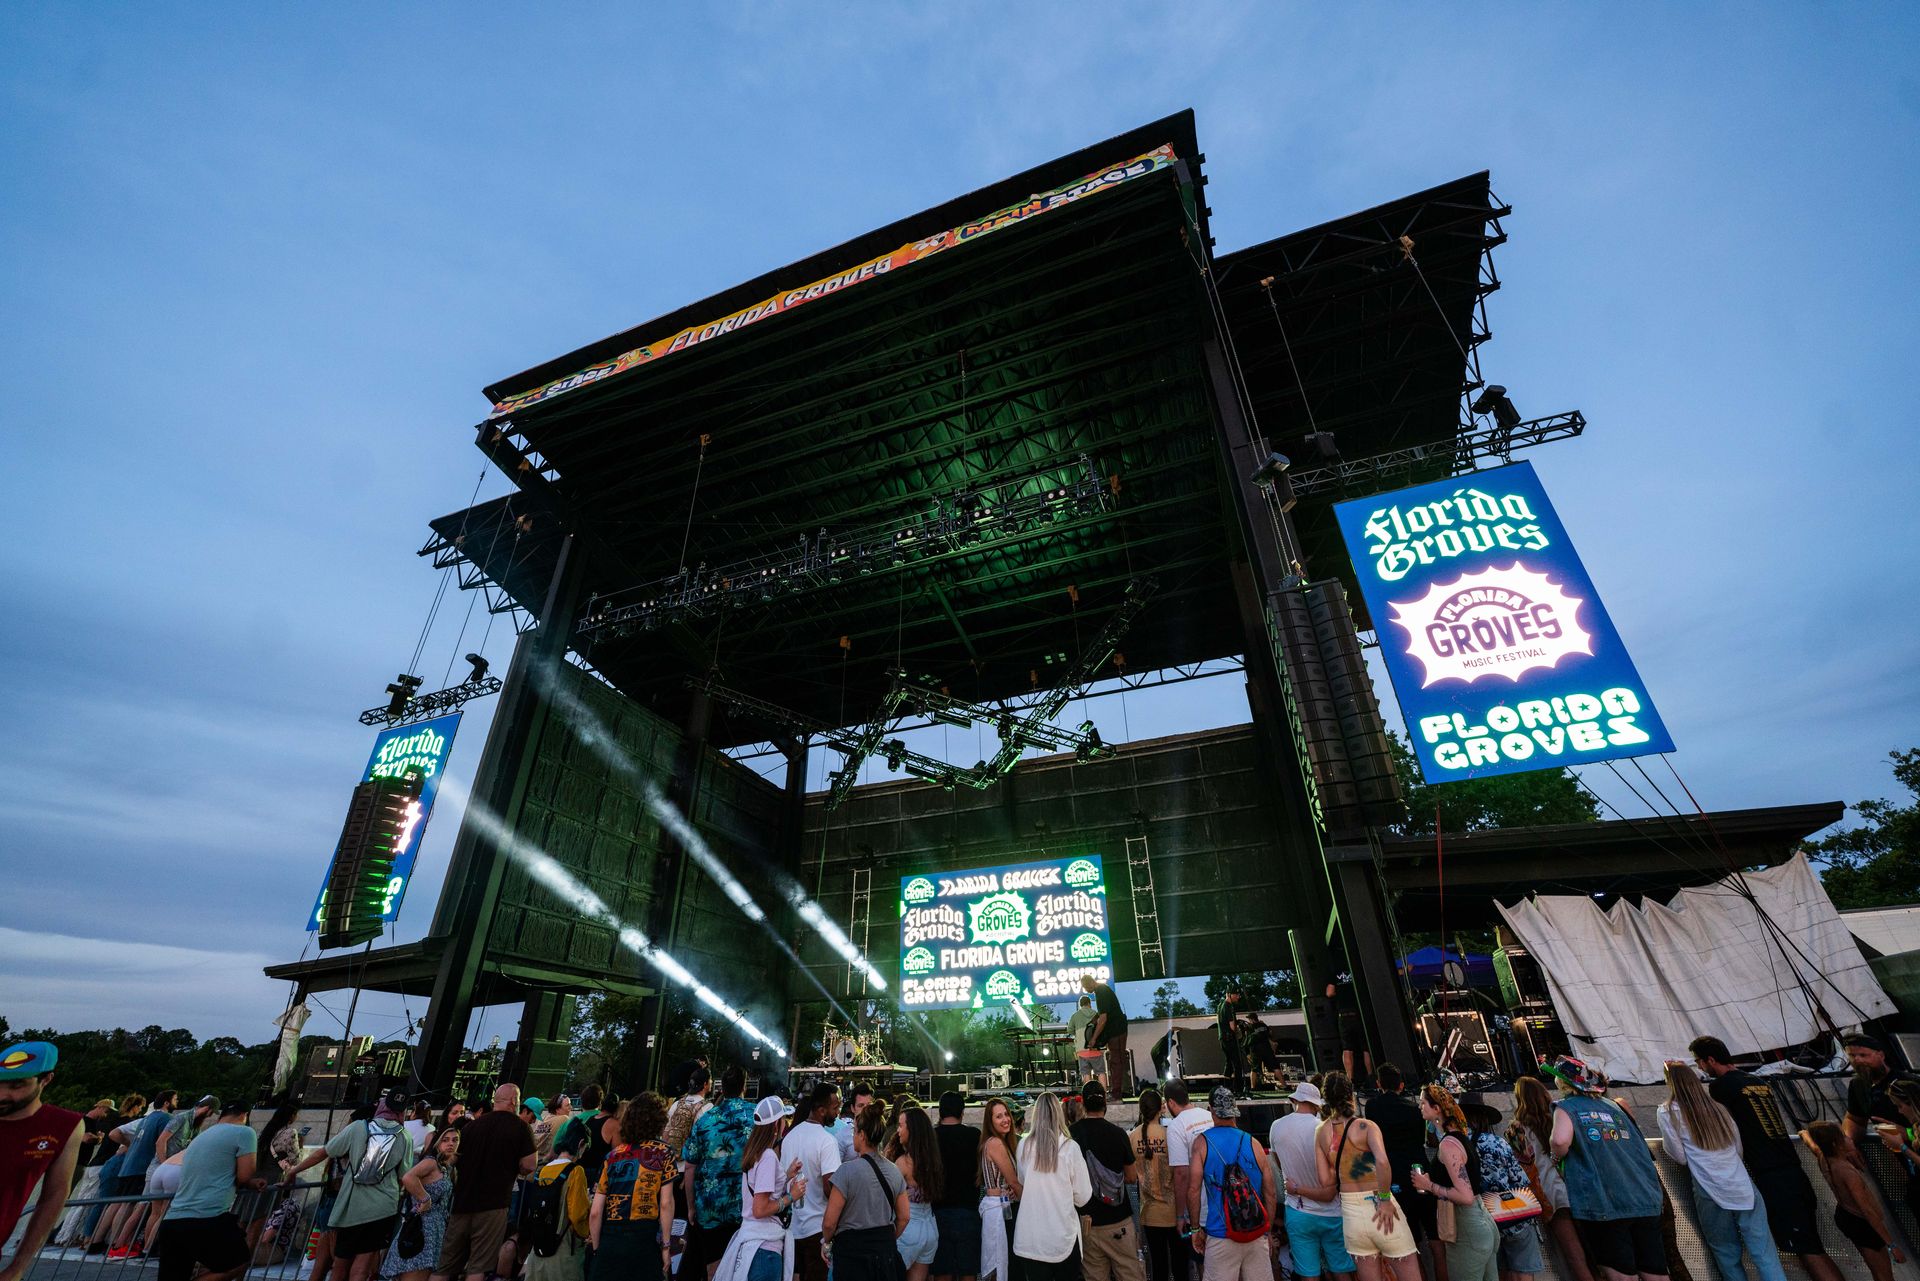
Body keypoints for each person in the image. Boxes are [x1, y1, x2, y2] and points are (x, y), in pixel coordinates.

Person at [1652, 1063, 1783, 1281]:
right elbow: (1737, 1148)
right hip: (1742, 1184)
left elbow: (1679, 1156)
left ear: (1669, 1082)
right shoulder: (1718, 1108)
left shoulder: (1667, 1111)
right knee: (1764, 1253)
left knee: (1726, 1252)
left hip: (1708, 1187)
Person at [1543, 1057, 1667, 1281]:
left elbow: (1560, 1141)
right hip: (1644, 1197)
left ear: (1564, 1083)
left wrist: (1554, 1158)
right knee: (1655, 1273)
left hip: (1606, 1201)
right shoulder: (1614, 1106)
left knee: (1621, 1275)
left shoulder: (1566, 1107)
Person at [285, 1089, 417, 1281]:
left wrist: (293, 1171)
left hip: (351, 1209)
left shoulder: (359, 1127)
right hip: (383, 1209)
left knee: (340, 1265)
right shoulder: (405, 1137)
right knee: (361, 1268)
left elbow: (324, 1152)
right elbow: (403, 1176)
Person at [1304, 1072, 1419, 1281]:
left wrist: (1344, 1167)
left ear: (1325, 1098)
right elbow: (1382, 1162)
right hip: (1379, 1204)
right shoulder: (1366, 1126)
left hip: (1351, 1215)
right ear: (1351, 1095)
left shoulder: (1321, 1132)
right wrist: (1384, 1199)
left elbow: (1325, 1181)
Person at [0, 1040, 84, 1281]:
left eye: (17, 1085)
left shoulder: (63, 1126)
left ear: (46, 1079)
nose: (4, 1094)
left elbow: (54, 1196)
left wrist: (18, 1267)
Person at [436, 1082, 536, 1281]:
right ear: (514, 1101)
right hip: (494, 1205)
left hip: (461, 1203)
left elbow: (453, 1158)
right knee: (478, 1266)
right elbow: (530, 1165)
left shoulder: (471, 1126)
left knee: (444, 1266)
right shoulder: (520, 1127)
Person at [154, 1100, 260, 1281]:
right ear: (244, 1116)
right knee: (237, 1261)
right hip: (208, 1217)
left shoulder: (200, 1137)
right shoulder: (244, 1132)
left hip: (172, 1221)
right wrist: (250, 1181)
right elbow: (245, 1175)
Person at [1266, 1081, 1354, 1281]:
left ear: (1295, 1100)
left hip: (1298, 1212)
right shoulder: (1326, 1128)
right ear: (1316, 1105)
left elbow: (1278, 1163)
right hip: (1332, 1211)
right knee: (1341, 1270)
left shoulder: (1277, 1127)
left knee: (1308, 1274)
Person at [1506, 1077, 1591, 1281]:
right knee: (1594, 1251)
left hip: (1551, 1195)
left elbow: (1522, 1162)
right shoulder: (1562, 1116)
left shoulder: (1517, 1129)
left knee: (1574, 1256)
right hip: (1581, 1188)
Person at [1408, 1087, 1495, 1281]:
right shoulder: (1460, 1136)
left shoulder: (1448, 1144)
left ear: (1437, 1108)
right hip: (1480, 1223)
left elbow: (1465, 1196)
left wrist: (1429, 1185)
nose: (1420, 1107)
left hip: (1468, 1228)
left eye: (1423, 1103)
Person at [1188, 1086, 1274, 1281]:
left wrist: (1195, 1229)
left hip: (1221, 1235)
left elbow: (1193, 1190)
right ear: (1235, 1110)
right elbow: (1270, 1192)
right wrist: (1267, 1231)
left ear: (1211, 1110)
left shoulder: (1202, 1143)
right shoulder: (1254, 1143)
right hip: (1256, 1234)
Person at [591, 1093, 678, 1281]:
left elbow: (596, 1211)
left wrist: (598, 1249)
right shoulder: (663, 1153)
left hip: (611, 1237)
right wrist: (665, 1246)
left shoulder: (612, 1156)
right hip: (644, 1239)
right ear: (659, 1120)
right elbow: (665, 1203)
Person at [1362, 1065, 1437, 1281]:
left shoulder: (1373, 1107)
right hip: (1420, 1171)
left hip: (1395, 1176)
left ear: (1378, 1084)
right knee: (1435, 1237)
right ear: (1402, 1085)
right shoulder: (1414, 1108)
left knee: (1410, 1242)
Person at [1803, 1122, 1904, 1281]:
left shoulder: (1824, 1158)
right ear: (1836, 1144)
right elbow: (1867, 1210)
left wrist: (1804, 1133)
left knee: (1877, 1270)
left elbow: (1811, 1144)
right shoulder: (1847, 1172)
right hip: (1861, 1222)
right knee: (1883, 1275)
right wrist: (1892, 1245)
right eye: (1844, 1136)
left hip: (1846, 1216)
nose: (1849, 1139)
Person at [683, 1066, 758, 1280]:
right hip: (748, 1207)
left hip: (710, 1207)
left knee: (713, 1269)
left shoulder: (706, 1120)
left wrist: (690, 1206)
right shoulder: (755, 1117)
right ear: (744, 1086)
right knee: (743, 1266)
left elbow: (690, 1166)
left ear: (721, 1088)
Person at [821, 1102, 908, 1281]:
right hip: (884, 1255)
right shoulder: (894, 1170)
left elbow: (830, 1223)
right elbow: (904, 1216)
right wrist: (885, 1241)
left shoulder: (846, 1171)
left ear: (861, 1135)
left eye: (854, 1132)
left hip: (851, 1256)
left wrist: (827, 1241)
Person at [1011, 1093, 1090, 1281]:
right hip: (1062, 1237)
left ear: (1036, 1114)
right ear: (1059, 1114)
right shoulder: (1070, 1148)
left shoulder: (1023, 1145)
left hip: (1031, 1239)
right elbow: (1083, 1195)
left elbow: (1022, 1181)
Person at [1070, 1081, 1141, 1281]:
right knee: (1130, 1274)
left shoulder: (1071, 1134)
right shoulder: (1118, 1134)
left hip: (1086, 1222)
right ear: (1105, 1105)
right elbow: (1131, 1177)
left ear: (1082, 1104)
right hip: (1119, 1221)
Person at [782, 1084, 843, 1281]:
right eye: (835, 1108)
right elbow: (830, 1188)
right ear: (821, 1110)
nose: (838, 1112)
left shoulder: (790, 1137)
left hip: (794, 1229)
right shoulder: (826, 1141)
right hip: (818, 1229)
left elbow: (784, 1180)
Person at [381, 1126, 458, 1281]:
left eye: (455, 1140)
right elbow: (408, 1177)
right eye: (445, 1140)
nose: (450, 1144)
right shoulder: (431, 1162)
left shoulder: (447, 1168)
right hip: (420, 1228)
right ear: (437, 1143)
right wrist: (425, 1198)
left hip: (434, 1229)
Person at [523, 1119, 590, 1281]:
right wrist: (586, 1234)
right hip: (564, 1251)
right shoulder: (576, 1171)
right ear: (581, 1143)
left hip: (539, 1249)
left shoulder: (545, 1169)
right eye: (585, 1148)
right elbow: (577, 1214)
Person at [890, 1103, 943, 1281]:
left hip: (907, 1228)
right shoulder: (932, 1159)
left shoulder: (903, 1163)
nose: (898, 1130)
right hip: (929, 1227)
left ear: (911, 1130)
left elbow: (889, 1198)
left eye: (901, 1125)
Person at [929, 1091, 978, 1281]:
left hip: (938, 1210)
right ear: (962, 1112)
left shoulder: (932, 1136)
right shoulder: (974, 1135)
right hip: (968, 1209)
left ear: (940, 1111)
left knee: (942, 1270)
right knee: (968, 1270)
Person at [1131, 1089, 1179, 1281]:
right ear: (1161, 1108)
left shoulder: (1133, 1137)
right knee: (1179, 1265)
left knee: (1158, 1266)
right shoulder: (1170, 1134)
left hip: (1149, 1213)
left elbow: (1130, 1174)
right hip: (1173, 1210)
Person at [1162, 1079, 1212, 1256]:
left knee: (1205, 1266)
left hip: (1201, 1211)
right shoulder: (1209, 1115)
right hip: (1225, 1206)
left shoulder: (1176, 1126)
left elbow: (1181, 1173)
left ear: (1170, 1103)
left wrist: (1180, 1215)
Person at [977, 1098, 1022, 1281]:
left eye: (1006, 1114)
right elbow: (1013, 1181)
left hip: (1002, 1208)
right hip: (997, 1211)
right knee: (998, 1265)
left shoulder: (1003, 1142)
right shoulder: (994, 1142)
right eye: (999, 1116)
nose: (1005, 1119)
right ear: (990, 1121)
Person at [1081, 976, 1132, 1094]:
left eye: (1085, 987)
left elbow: (1103, 1019)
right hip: (1114, 1031)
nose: (1086, 990)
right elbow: (1102, 1014)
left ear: (1089, 983)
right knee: (1115, 1061)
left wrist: (1093, 1039)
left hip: (1117, 1030)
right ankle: (1117, 1091)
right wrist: (1094, 1020)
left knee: (1116, 1061)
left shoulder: (1101, 992)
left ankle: (1117, 1094)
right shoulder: (1103, 990)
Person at [665, 1069, 714, 1158]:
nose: (712, 1082)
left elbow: (665, 1132)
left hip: (670, 1163)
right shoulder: (708, 1107)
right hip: (690, 1165)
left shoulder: (677, 1103)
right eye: (711, 1080)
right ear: (705, 1084)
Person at [836, 1084, 878, 1162]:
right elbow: (836, 1170)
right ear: (852, 1108)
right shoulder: (842, 1136)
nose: (865, 1110)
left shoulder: (878, 1131)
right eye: (861, 1105)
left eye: (869, 1105)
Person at [1215, 991, 1246, 1094]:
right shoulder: (1228, 1006)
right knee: (1237, 1064)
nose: (1238, 997)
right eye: (1236, 994)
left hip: (1223, 1039)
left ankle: (1226, 1088)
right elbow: (1232, 1026)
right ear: (1230, 994)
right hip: (1229, 1038)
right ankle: (1239, 1089)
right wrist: (1238, 1030)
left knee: (1228, 1063)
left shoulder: (1220, 1006)